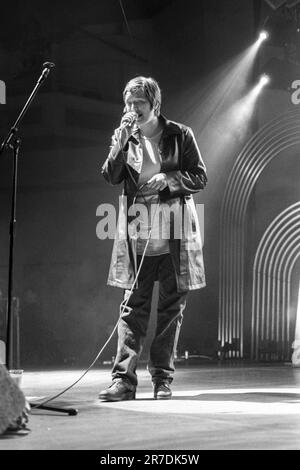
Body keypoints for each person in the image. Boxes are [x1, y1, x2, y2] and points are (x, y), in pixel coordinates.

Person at [99, 76, 207, 401]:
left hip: (173, 238)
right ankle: (123, 382)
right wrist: (118, 144)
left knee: (170, 311)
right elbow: (110, 175)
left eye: (139, 104)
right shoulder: (126, 137)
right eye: (128, 104)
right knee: (132, 310)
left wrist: (169, 178)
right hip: (138, 239)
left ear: (154, 104)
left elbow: (200, 175)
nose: (132, 110)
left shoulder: (179, 134)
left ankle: (162, 379)